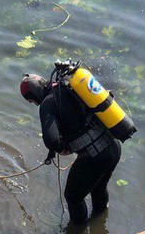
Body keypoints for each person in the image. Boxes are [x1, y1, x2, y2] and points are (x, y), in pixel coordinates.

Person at [20, 73, 122, 225]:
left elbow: (52, 140)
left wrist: (63, 149)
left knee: (73, 197)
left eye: (32, 101)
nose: (35, 104)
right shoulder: (69, 87)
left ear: (34, 96)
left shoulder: (48, 103)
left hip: (95, 156)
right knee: (99, 187)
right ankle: (100, 224)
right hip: (114, 146)